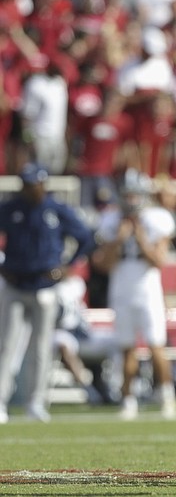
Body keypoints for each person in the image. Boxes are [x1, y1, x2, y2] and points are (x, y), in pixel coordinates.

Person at [0, 162, 94, 423]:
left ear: (42, 184)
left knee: (41, 348)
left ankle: (36, 402)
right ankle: (1, 402)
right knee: (6, 345)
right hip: (15, 283)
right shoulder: (11, 208)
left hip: (45, 285)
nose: (28, 189)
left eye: (32, 184)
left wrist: (67, 265)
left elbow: (86, 237)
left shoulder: (56, 210)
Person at [91, 168, 176, 420]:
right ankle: (127, 400)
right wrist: (118, 241)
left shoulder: (156, 218)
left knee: (156, 345)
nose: (130, 200)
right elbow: (103, 264)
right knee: (126, 348)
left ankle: (167, 396)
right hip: (121, 289)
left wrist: (140, 239)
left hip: (148, 290)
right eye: (126, 195)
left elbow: (159, 260)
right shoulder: (111, 221)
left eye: (134, 195)